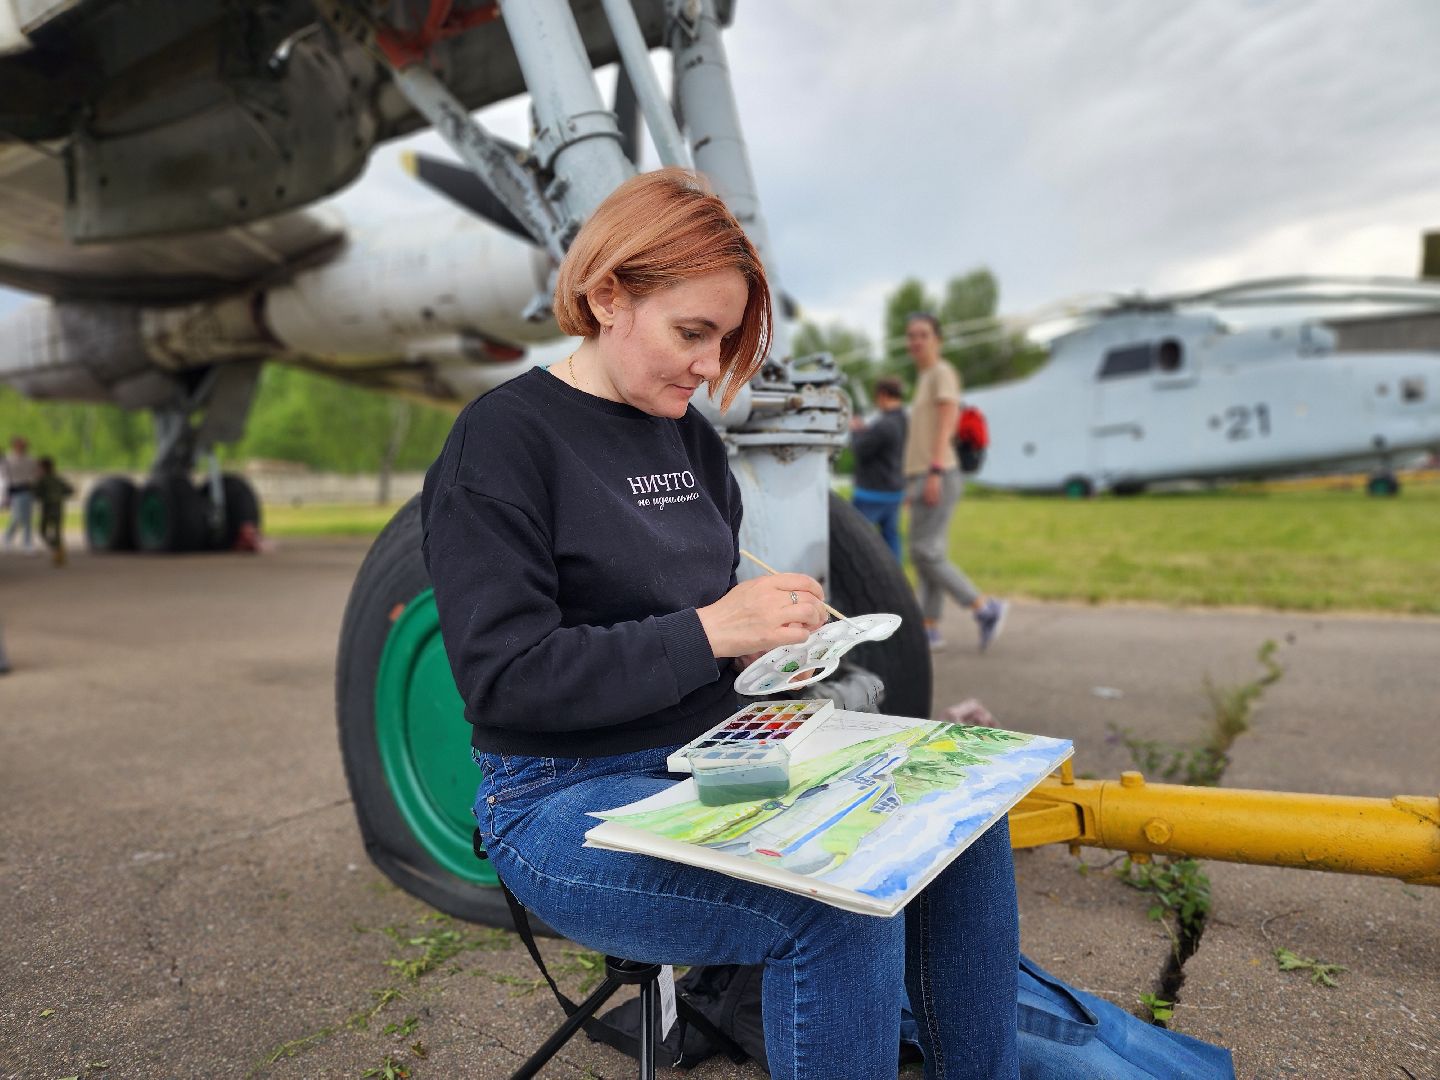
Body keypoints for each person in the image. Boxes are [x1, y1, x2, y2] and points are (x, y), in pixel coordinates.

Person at [422, 170, 1019, 1080]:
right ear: (607, 293)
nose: (711, 367)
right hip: (559, 797)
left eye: (726, 340)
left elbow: (704, 638)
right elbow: (505, 677)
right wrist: (710, 631)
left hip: (718, 756)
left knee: (964, 817)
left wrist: (786, 648)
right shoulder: (501, 442)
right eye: (691, 333)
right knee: (830, 905)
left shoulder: (691, 439)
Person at [901, 314, 1007, 652]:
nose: (916, 341)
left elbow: (947, 420)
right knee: (925, 554)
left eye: (923, 335)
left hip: (939, 471)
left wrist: (932, 471)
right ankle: (929, 627)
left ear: (938, 340)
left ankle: (983, 606)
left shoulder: (942, 374)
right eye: (912, 336)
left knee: (924, 551)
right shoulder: (926, 378)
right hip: (923, 474)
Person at [849, 376, 908, 561]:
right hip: (895, 491)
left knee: (856, 539)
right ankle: (894, 579)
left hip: (872, 493)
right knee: (891, 538)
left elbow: (860, 450)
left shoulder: (884, 425)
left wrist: (855, 431)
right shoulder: (903, 420)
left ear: (883, 395)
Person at [34, 457, 74, 567]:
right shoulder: (58, 478)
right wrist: (60, 496)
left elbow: (35, 493)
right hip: (58, 506)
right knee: (57, 532)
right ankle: (59, 552)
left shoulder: (42, 480)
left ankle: (57, 551)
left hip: (48, 507)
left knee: (43, 530)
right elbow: (70, 490)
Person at [3, 436, 39, 554]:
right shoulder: (8, 459)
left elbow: (36, 473)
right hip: (15, 490)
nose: (22, 447)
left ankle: (27, 543)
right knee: (18, 517)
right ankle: (8, 537)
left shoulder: (31, 459)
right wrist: (5, 492)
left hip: (27, 490)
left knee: (27, 518)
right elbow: (4, 476)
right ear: (14, 445)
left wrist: (33, 482)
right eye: (20, 444)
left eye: (24, 445)